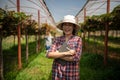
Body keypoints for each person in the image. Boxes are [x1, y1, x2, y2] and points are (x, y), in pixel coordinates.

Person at [46, 15, 82, 80]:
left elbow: (76, 58)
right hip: (57, 72)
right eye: (65, 25)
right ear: (62, 27)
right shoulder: (57, 39)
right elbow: (49, 54)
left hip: (71, 73)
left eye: (70, 25)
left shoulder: (77, 39)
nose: (67, 27)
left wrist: (57, 54)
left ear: (73, 27)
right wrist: (67, 53)